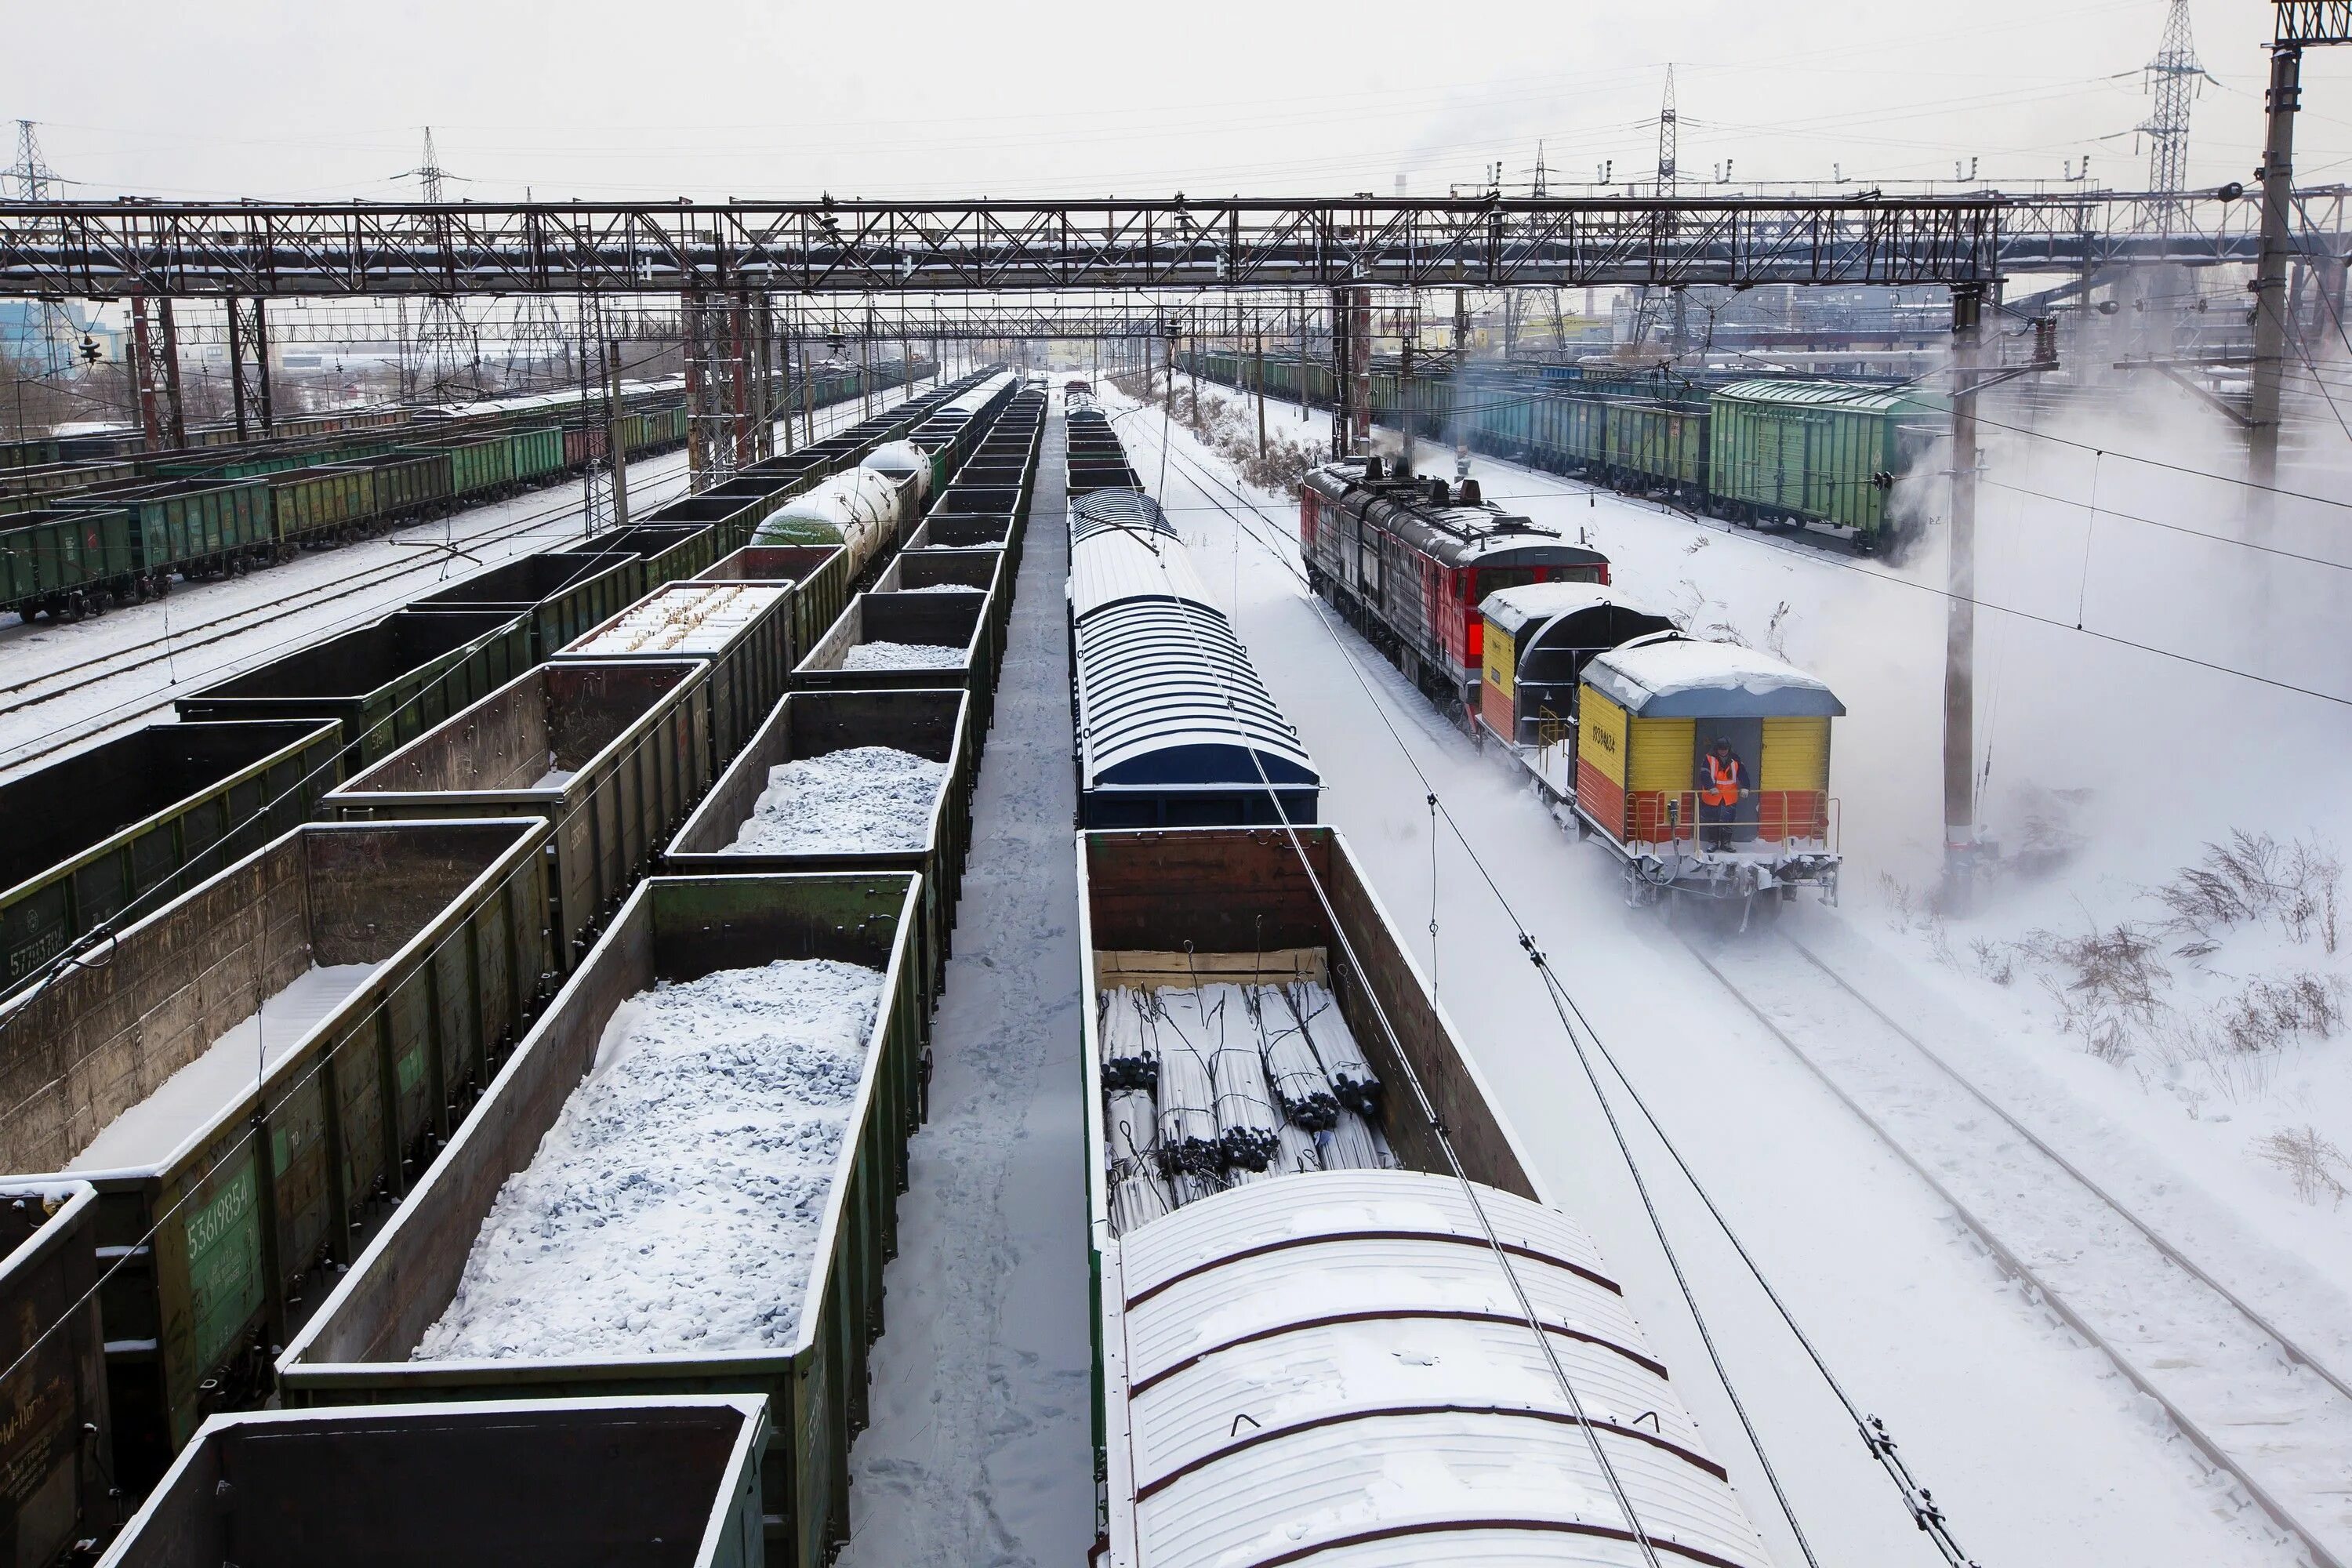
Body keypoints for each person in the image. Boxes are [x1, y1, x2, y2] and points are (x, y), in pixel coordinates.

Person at [1697, 737, 1749, 851]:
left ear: (1729, 749)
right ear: (1717, 748)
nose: (1723, 751)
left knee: (1728, 821)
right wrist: (1710, 787)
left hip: (1729, 796)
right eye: (1721, 749)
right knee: (1712, 821)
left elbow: (1743, 773)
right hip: (1712, 796)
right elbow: (1704, 774)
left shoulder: (1735, 759)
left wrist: (1746, 787)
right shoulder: (1709, 759)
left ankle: (1726, 843)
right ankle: (1713, 843)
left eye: (1725, 749)